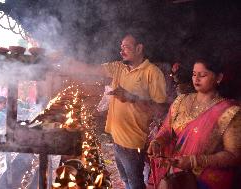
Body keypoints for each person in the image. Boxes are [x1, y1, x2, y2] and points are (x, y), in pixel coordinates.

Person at [147, 57, 241, 189]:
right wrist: (157, 142)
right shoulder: (181, 101)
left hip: (206, 180)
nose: (196, 79)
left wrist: (194, 161)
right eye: (194, 74)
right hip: (176, 175)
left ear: (218, 78)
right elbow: (167, 129)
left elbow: (234, 156)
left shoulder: (229, 111)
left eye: (202, 75)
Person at [99, 31, 167, 189]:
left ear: (139, 48)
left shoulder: (152, 73)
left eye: (126, 47)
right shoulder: (119, 68)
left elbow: (160, 110)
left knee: (135, 182)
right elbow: (89, 69)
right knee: (125, 179)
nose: (121, 51)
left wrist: (132, 97)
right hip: (116, 137)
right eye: (121, 47)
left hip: (132, 142)